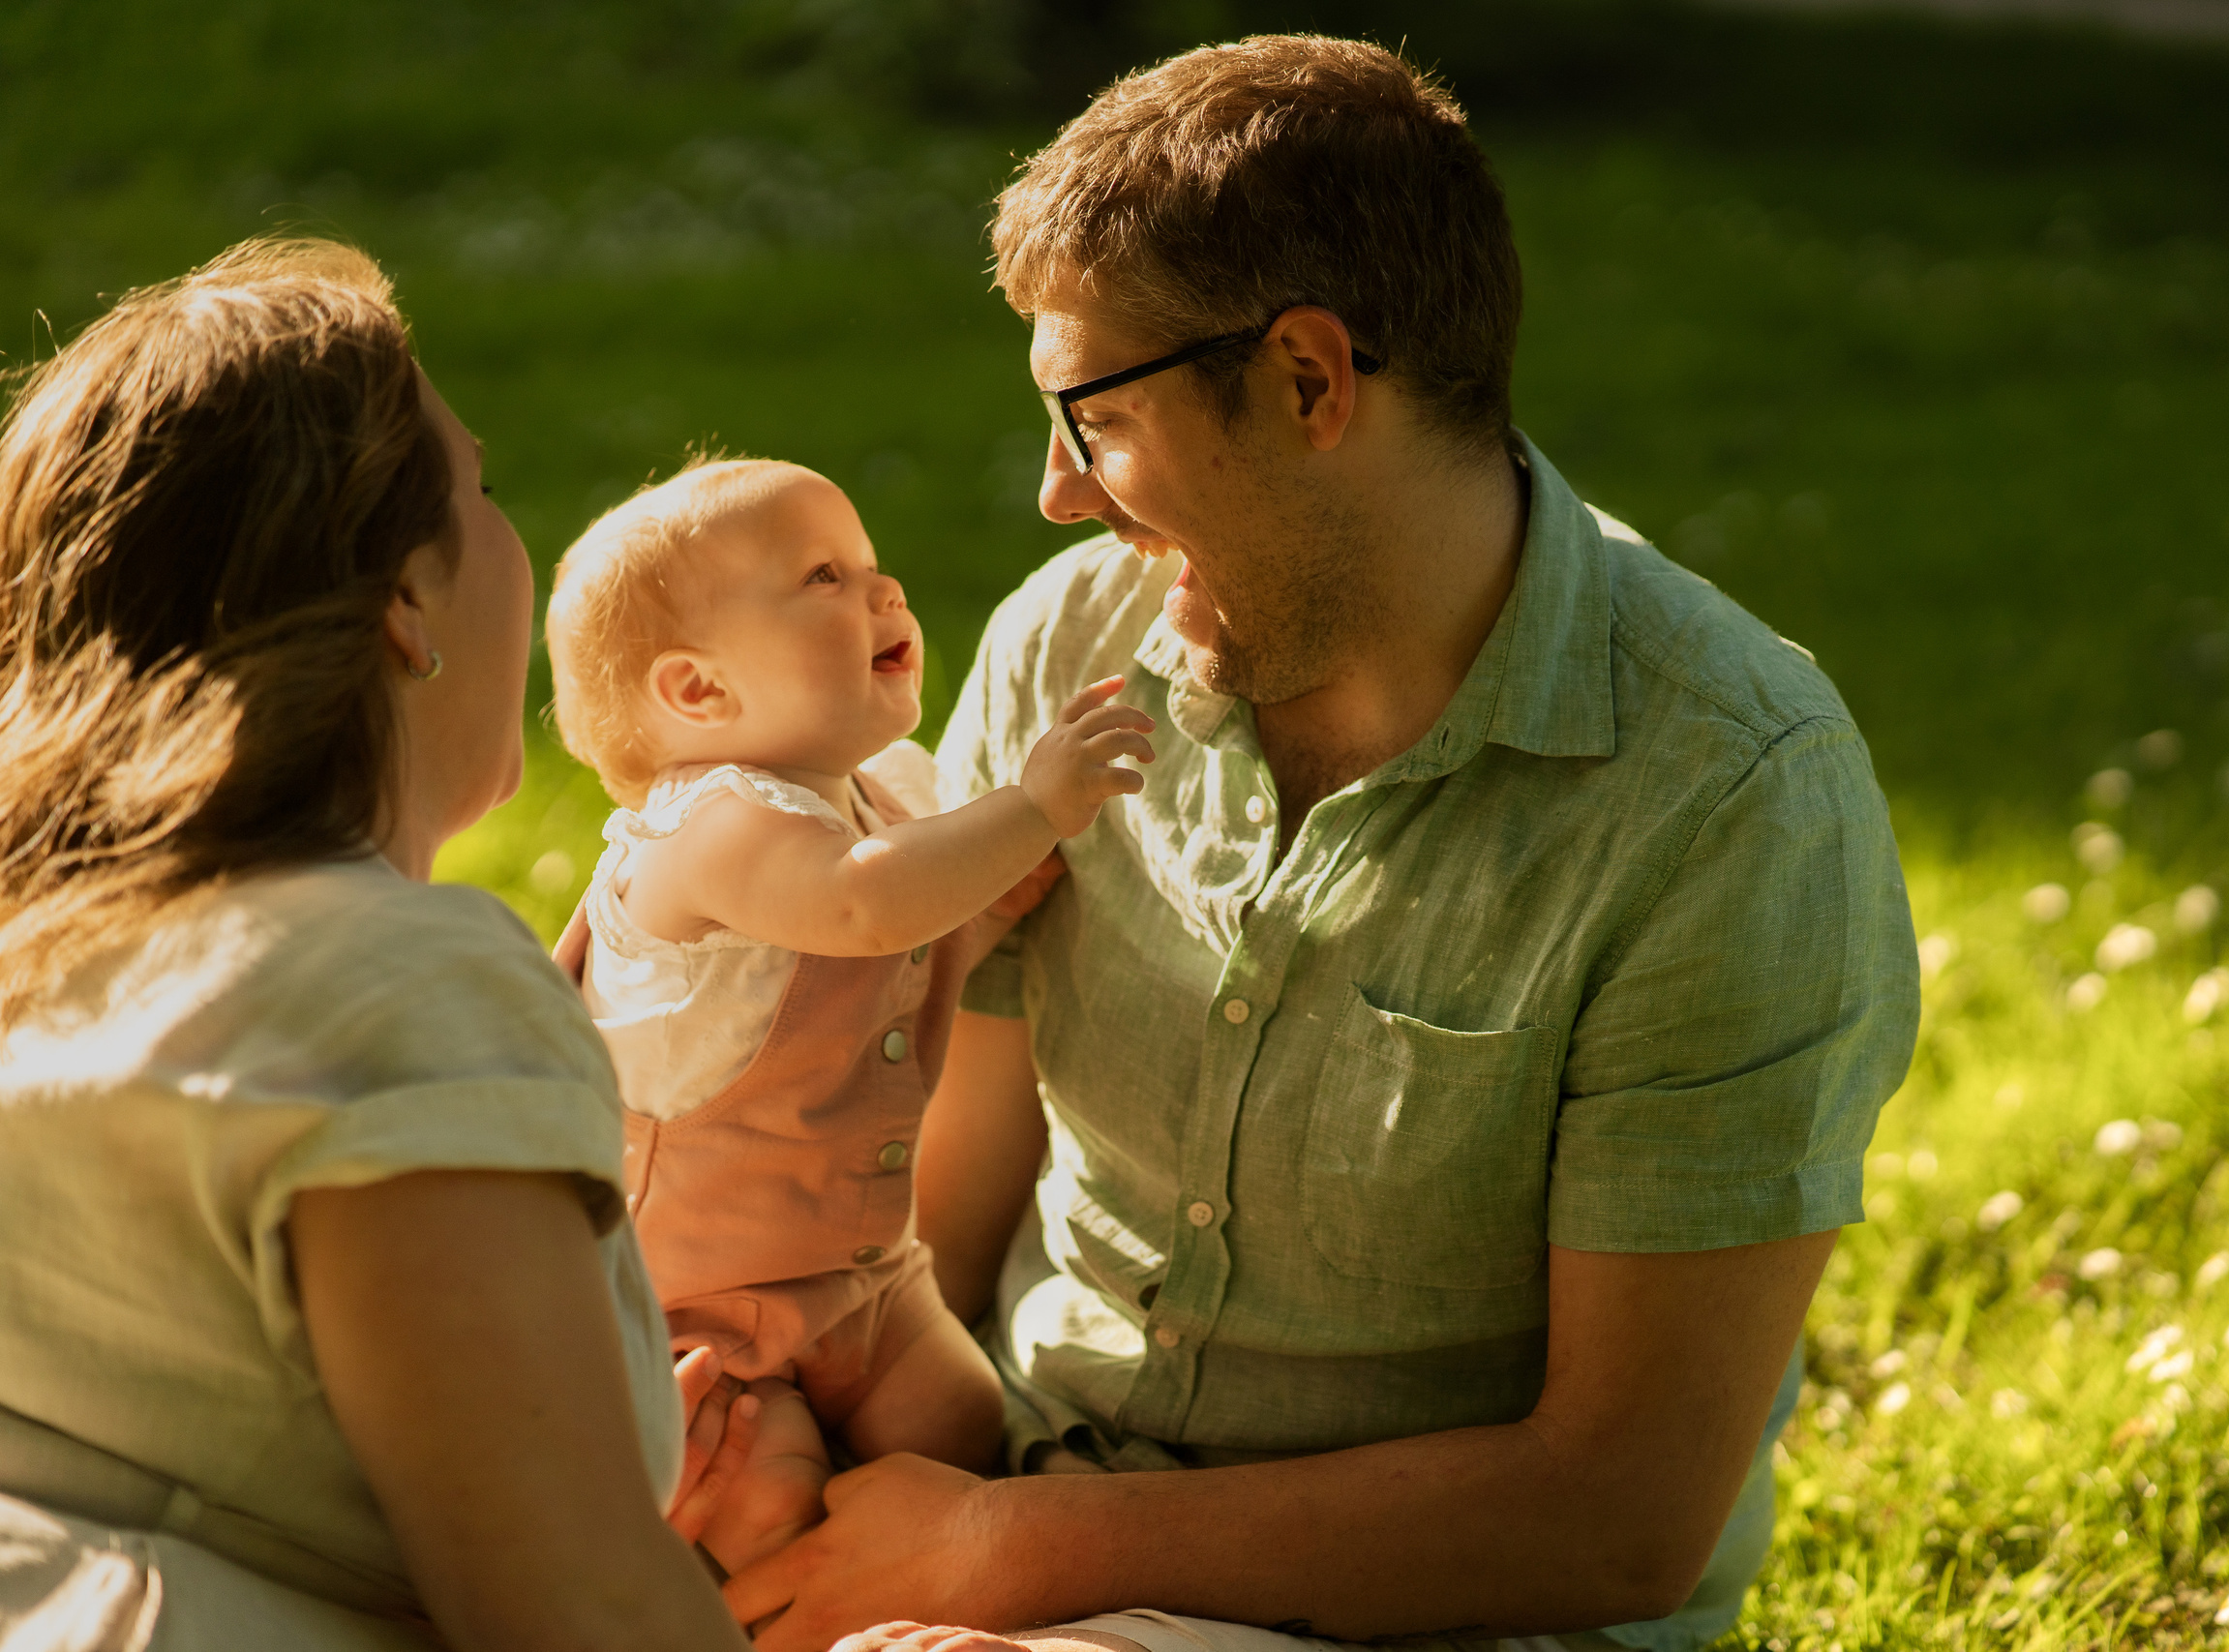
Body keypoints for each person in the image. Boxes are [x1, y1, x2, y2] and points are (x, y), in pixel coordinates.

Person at [707, 35, 1921, 1652]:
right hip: (987, 1495)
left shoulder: (1731, 798)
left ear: (1307, 380)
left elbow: (1616, 1514)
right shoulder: (1079, 645)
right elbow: (947, 1182)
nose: (1060, 496)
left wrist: (1010, 1555)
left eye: (1097, 420)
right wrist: (779, 1425)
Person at [0, 238, 755, 1651]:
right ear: (401, 604)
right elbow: (578, 1613)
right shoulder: (391, 977)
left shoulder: (31, 962)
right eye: (485, 491)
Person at [540, 458, 1154, 1572]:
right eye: (826, 576)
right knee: (761, 1496)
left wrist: (1001, 888)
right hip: (702, 1316)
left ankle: (903, 1571)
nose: (885, 593)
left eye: (874, 567)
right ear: (699, 693)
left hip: (863, 1272)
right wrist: (1032, 807)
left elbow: (924, 923)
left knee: (958, 1424)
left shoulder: (884, 795)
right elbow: (865, 905)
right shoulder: (706, 829)